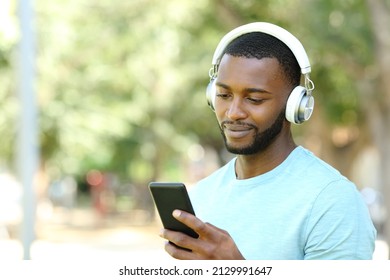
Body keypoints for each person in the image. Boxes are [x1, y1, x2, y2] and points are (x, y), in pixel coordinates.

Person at [159, 22, 377, 260]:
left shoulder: (332, 201)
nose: (233, 113)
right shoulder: (201, 196)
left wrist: (237, 270)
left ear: (296, 105)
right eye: (223, 95)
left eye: (254, 99)